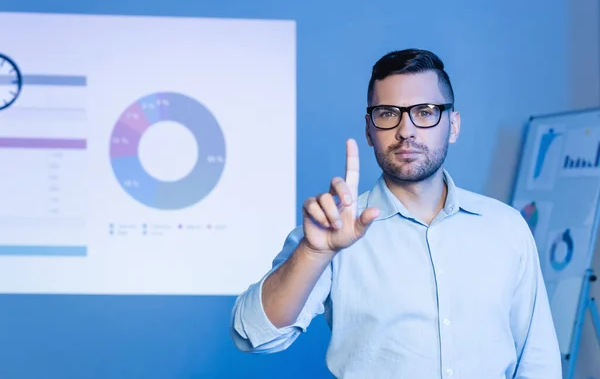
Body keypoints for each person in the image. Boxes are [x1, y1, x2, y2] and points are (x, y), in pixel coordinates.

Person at [229, 48, 562, 378]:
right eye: (388, 113)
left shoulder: (506, 228)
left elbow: (538, 364)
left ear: (454, 125)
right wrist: (315, 252)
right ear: (369, 130)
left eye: (426, 111)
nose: (406, 130)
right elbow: (253, 335)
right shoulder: (334, 228)